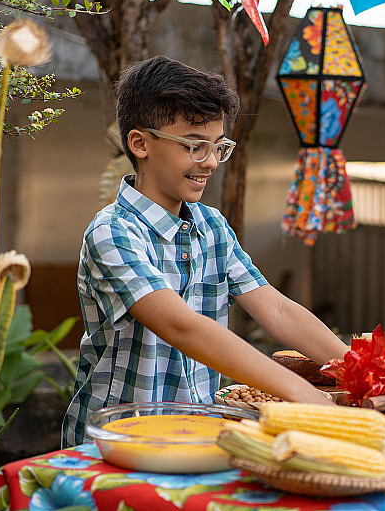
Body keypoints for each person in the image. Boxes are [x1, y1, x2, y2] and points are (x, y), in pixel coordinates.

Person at [62, 56, 349, 447]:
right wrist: (301, 392)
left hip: (198, 436)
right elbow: (182, 327)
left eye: (219, 147)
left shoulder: (211, 225)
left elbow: (276, 308)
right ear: (140, 143)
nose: (211, 162)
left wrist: (360, 371)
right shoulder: (112, 232)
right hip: (116, 444)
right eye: (195, 147)